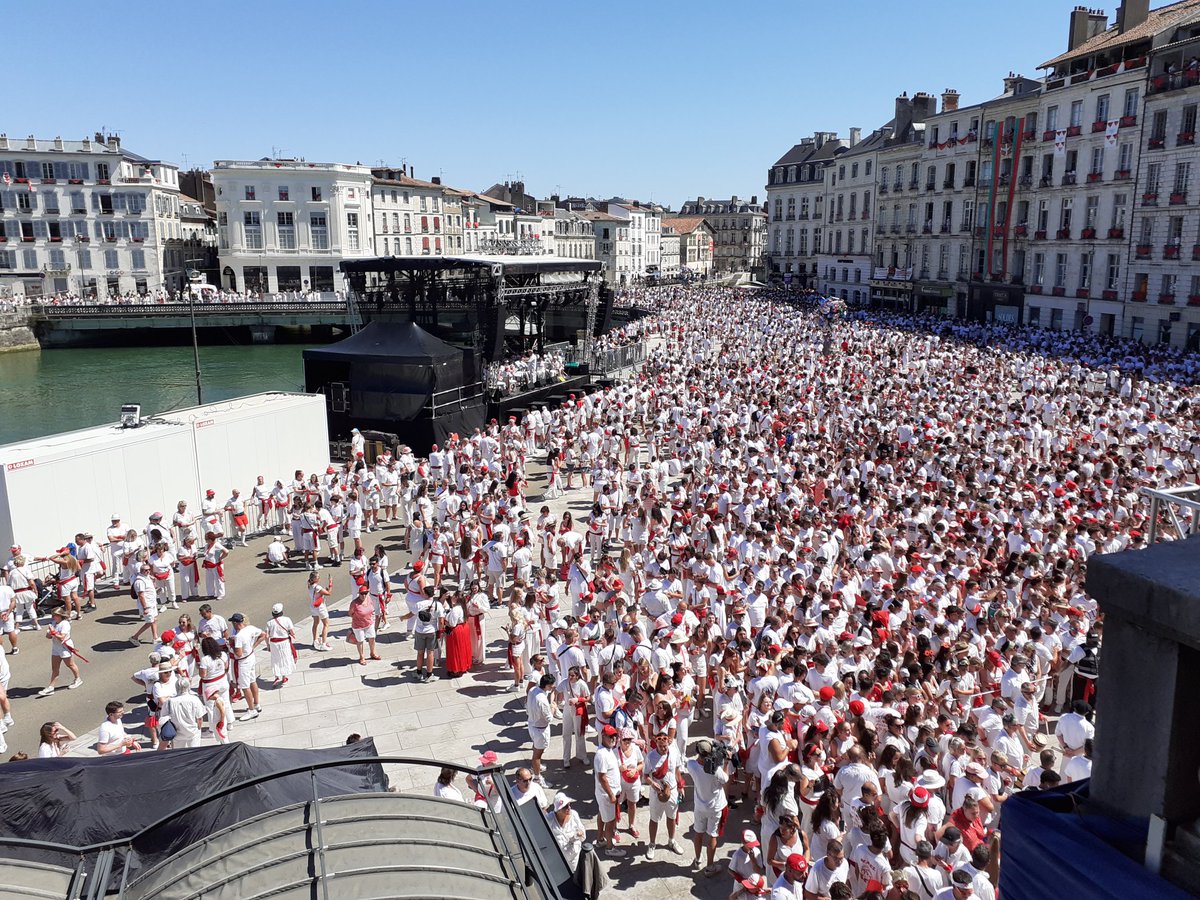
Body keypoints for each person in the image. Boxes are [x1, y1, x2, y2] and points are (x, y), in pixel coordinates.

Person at [687, 737, 731, 876]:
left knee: (698, 833)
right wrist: (725, 763)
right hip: (715, 808)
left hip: (700, 807)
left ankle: (698, 859)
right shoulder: (716, 770)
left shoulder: (692, 765)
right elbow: (726, 779)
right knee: (713, 835)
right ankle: (710, 866)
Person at [644, 728, 685, 859]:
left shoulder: (673, 752)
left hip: (672, 791)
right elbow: (645, 775)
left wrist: (681, 786)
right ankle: (652, 844)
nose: (664, 749)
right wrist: (652, 784)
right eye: (661, 746)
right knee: (654, 819)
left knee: (671, 817)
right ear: (656, 744)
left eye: (665, 746)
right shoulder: (650, 757)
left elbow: (677, 770)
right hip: (657, 793)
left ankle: (671, 840)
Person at [593, 723, 626, 857]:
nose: (613, 739)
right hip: (607, 794)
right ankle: (609, 847)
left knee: (602, 815)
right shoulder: (601, 755)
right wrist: (611, 795)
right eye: (610, 736)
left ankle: (600, 839)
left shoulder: (609, 750)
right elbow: (602, 778)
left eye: (614, 736)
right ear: (603, 736)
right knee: (610, 821)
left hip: (607, 793)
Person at [38, 607, 83, 695]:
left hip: (65, 647)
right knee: (55, 668)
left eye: (55, 615)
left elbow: (62, 637)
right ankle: (51, 687)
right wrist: (49, 633)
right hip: (56, 647)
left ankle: (78, 679)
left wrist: (53, 632)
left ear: (60, 615)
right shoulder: (54, 623)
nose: (53, 617)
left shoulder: (65, 624)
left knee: (70, 664)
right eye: (53, 615)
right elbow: (48, 637)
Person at [228, 613, 265, 719]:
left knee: (245, 686)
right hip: (250, 657)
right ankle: (256, 703)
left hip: (243, 661)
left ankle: (251, 710)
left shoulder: (239, 636)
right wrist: (253, 646)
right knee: (252, 680)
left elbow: (238, 653)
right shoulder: (250, 628)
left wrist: (231, 643)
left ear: (235, 623)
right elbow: (263, 634)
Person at [527, 672, 555, 785]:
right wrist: (553, 708)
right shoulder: (543, 701)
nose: (553, 687)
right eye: (552, 685)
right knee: (538, 754)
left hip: (532, 724)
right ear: (547, 685)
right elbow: (549, 718)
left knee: (536, 748)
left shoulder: (532, 690)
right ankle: (537, 777)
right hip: (540, 729)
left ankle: (536, 766)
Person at [160, 685, 207, 749]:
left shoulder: (170, 701)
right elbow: (200, 718)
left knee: (178, 754)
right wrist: (198, 728)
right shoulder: (194, 699)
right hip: (193, 732)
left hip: (177, 733)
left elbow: (163, 715)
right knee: (194, 753)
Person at [412, 587, 444, 683]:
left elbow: (411, 614)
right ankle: (429, 675)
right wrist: (440, 631)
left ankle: (419, 673)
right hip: (431, 631)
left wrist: (403, 618)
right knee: (430, 653)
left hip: (419, 631)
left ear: (425, 594)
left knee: (420, 652)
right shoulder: (438, 605)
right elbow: (441, 620)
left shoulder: (418, 604)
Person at [548, 793, 586, 871]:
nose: (569, 808)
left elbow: (582, 835)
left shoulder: (574, 815)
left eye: (569, 804)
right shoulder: (549, 819)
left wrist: (580, 834)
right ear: (558, 810)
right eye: (565, 806)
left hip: (574, 856)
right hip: (558, 859)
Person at [265, 602, 297, 686]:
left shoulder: (269, 622)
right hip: (284, 642)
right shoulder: (287, 619)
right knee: (284, 658)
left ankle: (276, 676)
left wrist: (268, 645)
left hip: (273, 643)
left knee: (276, 660)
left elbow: (267, 635)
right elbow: (292, 631)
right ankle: (284, 677)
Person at [129, 562, 159, 646]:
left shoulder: (147, 577)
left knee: (154, 619)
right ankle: (134, 637)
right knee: (150, 622)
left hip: (152, 603)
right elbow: (141, 595)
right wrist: (145, 608)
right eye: (146, 570)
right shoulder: (139, 581)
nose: (148, 571)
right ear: (141, 571)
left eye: (149, 570)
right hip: (147, 605)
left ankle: (155, 637)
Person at [443, 591, 473, 677]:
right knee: (463, 648)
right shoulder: (463, 607)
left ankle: (456, 669)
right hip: (463, 628)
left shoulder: (456, 609)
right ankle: (464, 665)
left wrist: (445, 622)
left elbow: (452, 623)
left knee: (455, 650)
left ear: (456, 598)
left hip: (456, 631)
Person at [348, 585, 379, 666]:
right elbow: (350, 613)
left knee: (372, 638)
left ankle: (373, 653)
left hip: (369, 623)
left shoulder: (369, 599)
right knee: (360, 641)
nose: (364, 595)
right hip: (358, 626)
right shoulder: (354, 603)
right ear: (359, 594)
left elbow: (372, 608)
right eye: (362, 594)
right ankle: (362, 657)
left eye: (365, 593)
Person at [308, 572, 333, 650]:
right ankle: (324, 643)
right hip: (320, 607)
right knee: (326, 624)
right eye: (317, 577)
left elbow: (320, 593)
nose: (319, 578)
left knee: (315, 623)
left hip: (313, 606)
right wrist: (330, 583)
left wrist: (323, 592)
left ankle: (315, 640)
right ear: (314, 579)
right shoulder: (318, 587)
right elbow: (329, 593)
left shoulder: (310, 586)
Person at [202, 531, 229, 600]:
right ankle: (211, 593)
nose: (205, 540)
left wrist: (221, 558)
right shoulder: (206, 545)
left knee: (218, 580)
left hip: (216, 565)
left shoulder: (217, 545)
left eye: (206, 539)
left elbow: (226, 551)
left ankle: (220, 594)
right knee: (209, 580)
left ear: (210, 539)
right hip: (209, 565)